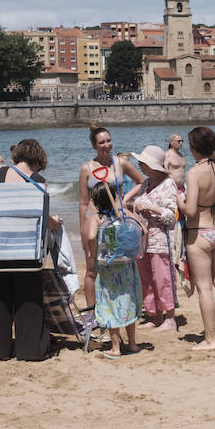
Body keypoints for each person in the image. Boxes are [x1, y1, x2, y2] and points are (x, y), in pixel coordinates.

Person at [0, 139, 59, 362]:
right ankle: (30, 350)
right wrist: (55, 222)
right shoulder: (38, 181)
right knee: (28, 300)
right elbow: (42, 220)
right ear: (39, 160)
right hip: (26, 251)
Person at [78, 124, 145, 308]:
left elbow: (141, 182)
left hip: (117, 221)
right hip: (95, 220)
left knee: (120, 263)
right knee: (92, 269)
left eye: (108, 140)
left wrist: (125, 200)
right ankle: (92, 313)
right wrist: (83, 230)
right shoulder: (87, 168)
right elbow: (83, 202)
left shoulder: (120, 163)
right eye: (102, 142)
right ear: (94, 145)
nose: (107, 145)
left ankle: (120, 306)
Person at [180, 125, 215, 350]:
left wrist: (178, 201)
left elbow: (190, 210)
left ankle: (209, 338)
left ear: (193, 149)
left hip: (198, 233)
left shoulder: (193, 173)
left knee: (204, 287)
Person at [87, 179, 143, 359]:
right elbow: (143, 231)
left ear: (96, 200)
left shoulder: (98, 217)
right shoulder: (123, 213)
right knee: (128, 301)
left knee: (110, 304)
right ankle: (133, 344)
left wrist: (94, 253)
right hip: (127, 264)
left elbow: (90, 236)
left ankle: (116, 347)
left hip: (108, 267)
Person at [131, 144, 181, 332]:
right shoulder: (146, 183)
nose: (140, 165)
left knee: (163, 278)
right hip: (144, 241)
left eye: (143, 163)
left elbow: (171, 216)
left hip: (161, 240)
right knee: (147, 278)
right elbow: (138, 204)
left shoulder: (168, 184)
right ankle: (154, 314)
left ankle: (169, 317)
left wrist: (151, 208)